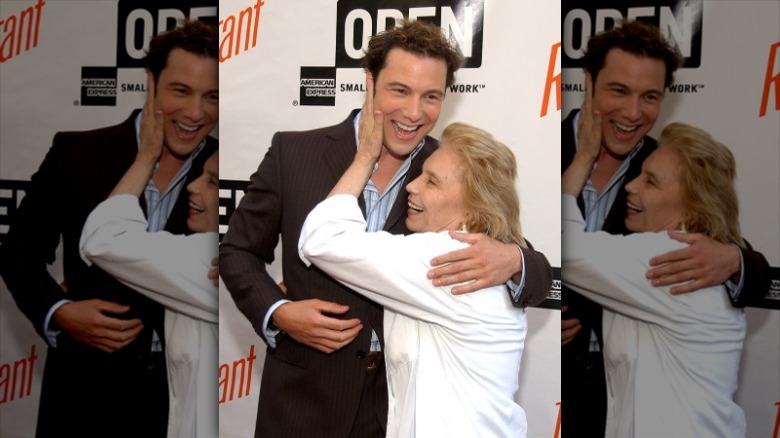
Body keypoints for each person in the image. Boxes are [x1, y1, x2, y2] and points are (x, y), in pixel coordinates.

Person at [220, 19, 553, 437]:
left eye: (430, 96)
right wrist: (279, 312)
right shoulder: (295, 152)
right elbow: (238, 251)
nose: (414, 113)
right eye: (400, 90)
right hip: (305, 396)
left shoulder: (446, 167)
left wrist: (515, 259)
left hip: (397, 406)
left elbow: (534, 270)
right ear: (370, 81)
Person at [0, 20, 218, 437]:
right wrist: (60, 312)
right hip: (84, 389)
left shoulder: (223, 165)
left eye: (212, 97)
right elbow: (18, 252)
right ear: (151, 82)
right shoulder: (78, 151)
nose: (195, 113)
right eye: (181, 91)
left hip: (178, 396)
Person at [560, 20, 770, 436]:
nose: (633, 112)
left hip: (622, 386)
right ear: (589, 83)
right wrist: (535, 309)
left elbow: (732, 251)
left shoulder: (666, 165)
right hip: (547, 375)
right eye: (619, 91)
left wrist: (733, 259)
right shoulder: (535, 144)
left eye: (650, 97)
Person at [299, 94, 539, 436]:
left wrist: (365, 157)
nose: (411, 186)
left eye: (432, 181)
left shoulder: (446, 257)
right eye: (420, 175)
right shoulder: (478, 255)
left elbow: (321, 239)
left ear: (473, 210)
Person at [562, 121, 748, 437]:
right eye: (639, 174)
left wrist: (581, 162)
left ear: (692, 207)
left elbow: (564, 246)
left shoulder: (669, 255)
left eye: (651, 182)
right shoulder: (699, 257)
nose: (631, 186)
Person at [79, 77, 218, 438]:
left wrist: (145, 158)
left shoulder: (208, 261)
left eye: (214, 182)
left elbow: (103, 238)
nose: (193, 186)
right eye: (181, 90)